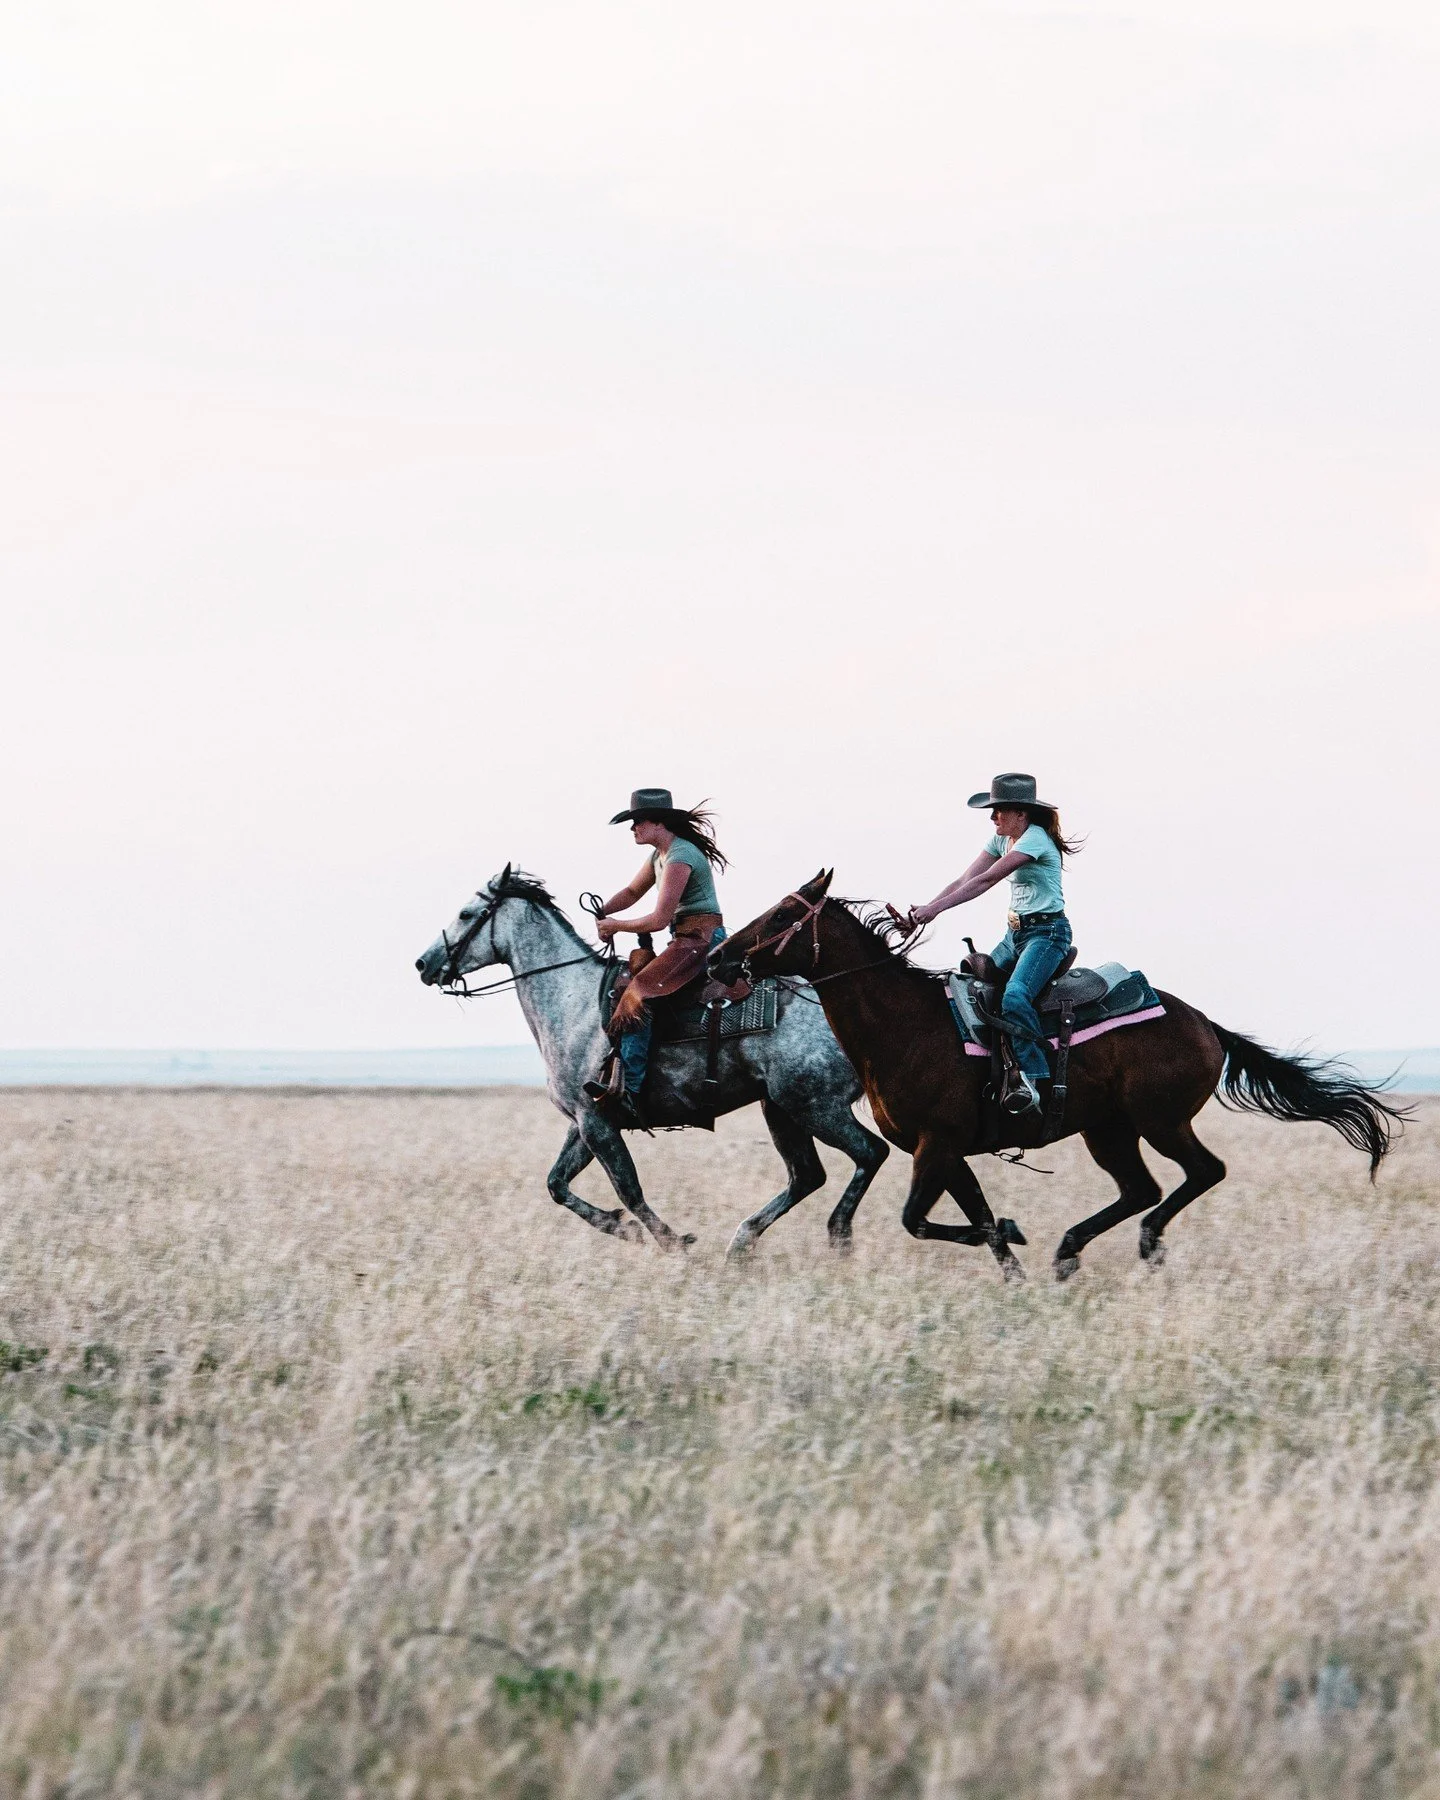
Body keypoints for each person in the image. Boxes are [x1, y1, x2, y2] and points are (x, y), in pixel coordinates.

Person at [899, 772, 1082, 1116]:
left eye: (998, 810)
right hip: (1014, 937)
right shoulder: (1001, 839)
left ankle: (1032, 1078)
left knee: (1015, 996)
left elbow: (987, 880)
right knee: (967, 987)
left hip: (1047, 935)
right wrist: (924, 912)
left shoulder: (1035, 840)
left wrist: (931, 911)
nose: (992, 816)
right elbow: (964, 879)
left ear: (1021, 814)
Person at [583, 788, 728, 1125]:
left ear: (658, 822)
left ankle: (629, 1092)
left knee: (639, 994)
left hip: (700, 939)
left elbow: (660, 919)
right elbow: (633, 892)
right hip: (685, 938)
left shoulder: (680, 856)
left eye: (637, 821)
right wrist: (602, 911)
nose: (632, 828)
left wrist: (616, 925)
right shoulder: (658, 856)